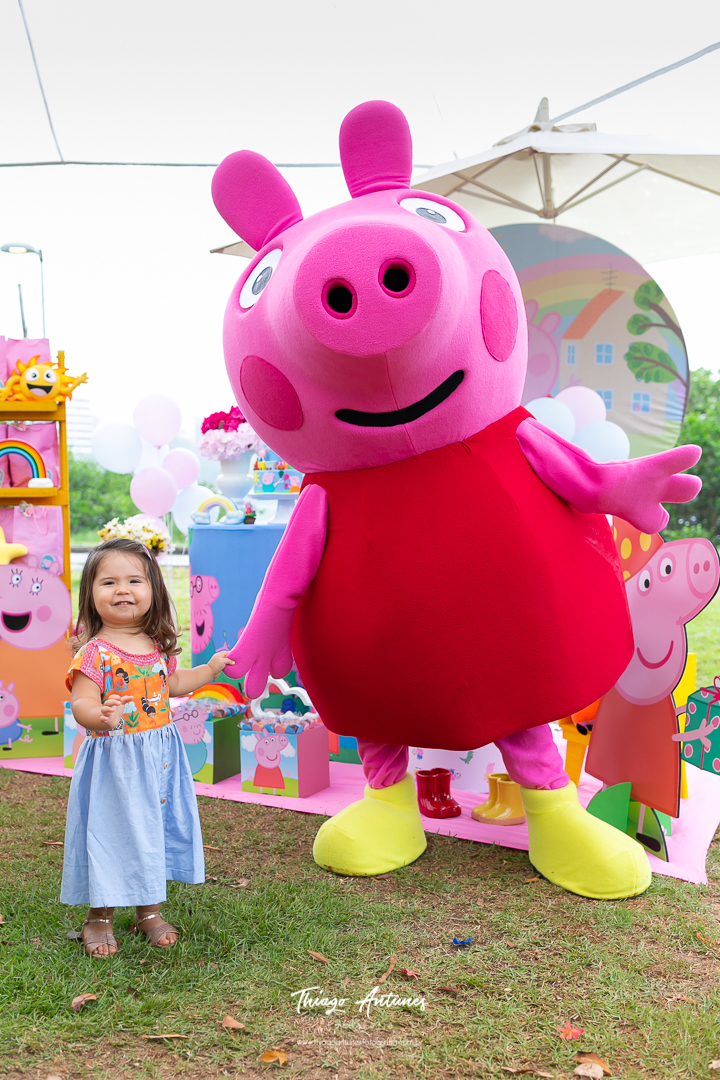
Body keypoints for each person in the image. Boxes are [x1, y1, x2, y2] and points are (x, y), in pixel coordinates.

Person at [61, 537, 230, 957]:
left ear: (153, 590)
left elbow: (172, 684)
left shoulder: (156, 647)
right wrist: (99, 715)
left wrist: (208, 670)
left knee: (151, 831)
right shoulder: (94, 654)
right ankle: (98, 917)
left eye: (135, 580)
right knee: (111, 833)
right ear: (90, 595)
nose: (122, 590)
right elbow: (81, 701)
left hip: (158, 761)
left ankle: (148, 911)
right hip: (115, 763)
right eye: (109, 582)